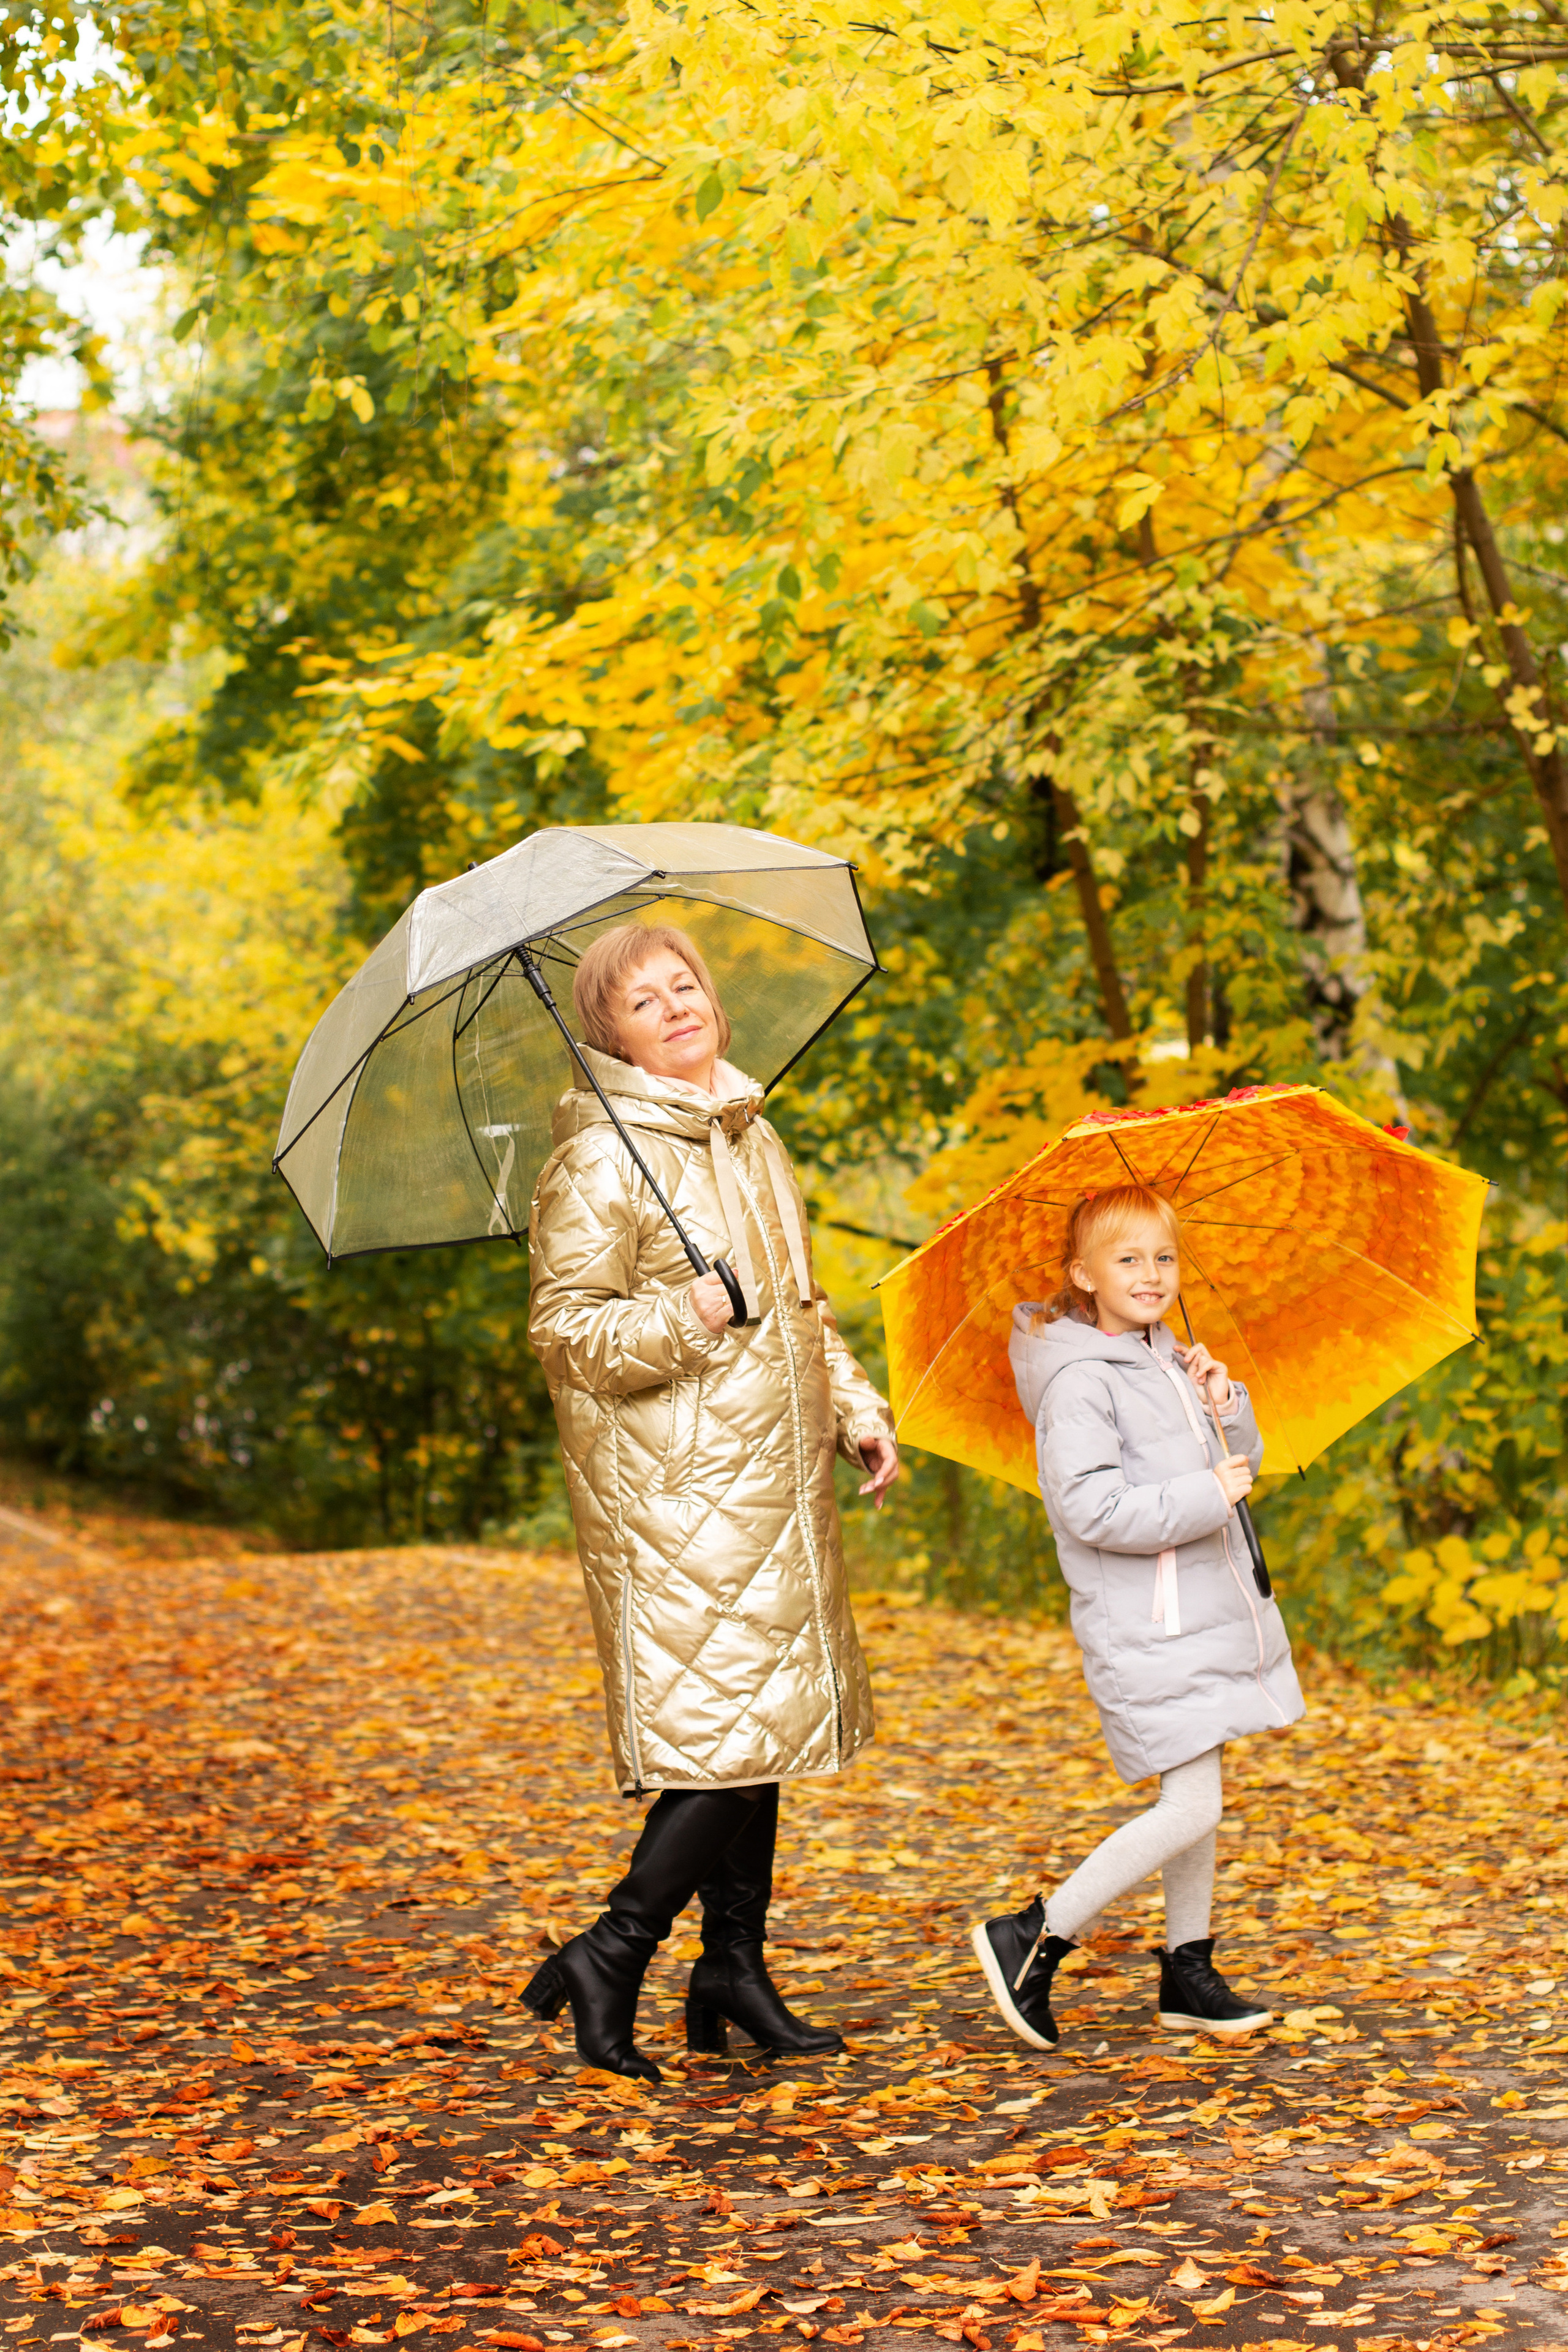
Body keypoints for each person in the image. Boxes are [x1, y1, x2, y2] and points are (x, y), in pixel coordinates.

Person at [522, 921, 899, 2081]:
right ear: (611, 1038)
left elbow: (801, 1306)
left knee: (759, 1723)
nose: (676, 1006)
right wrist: (683, 1316)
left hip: (774, 1479)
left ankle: (733, 1967)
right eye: (644, 1002)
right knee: (729, 1738)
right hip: (677, 1490)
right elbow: (567, 1335)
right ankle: (614, 1947)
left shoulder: (749, 1134)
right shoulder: (598, 1159)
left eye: (685, 985)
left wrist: (856, 1409)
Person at [971, 1182, 1303, 2049]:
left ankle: (1188, 1970)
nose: (1151, 1274)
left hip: (1201, 1609)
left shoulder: (1167, 1358)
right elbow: (1093, 1510)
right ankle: (1033, 1934)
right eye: (1128, 1259)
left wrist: (1225, 1406)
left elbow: (1238, 1467)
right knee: (1191, 1806)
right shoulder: (1081, 1382)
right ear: (1084, 1275)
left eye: (1164, 1257)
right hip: (1148, 1622)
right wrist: (1206, 1492)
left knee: (1198, 1794)